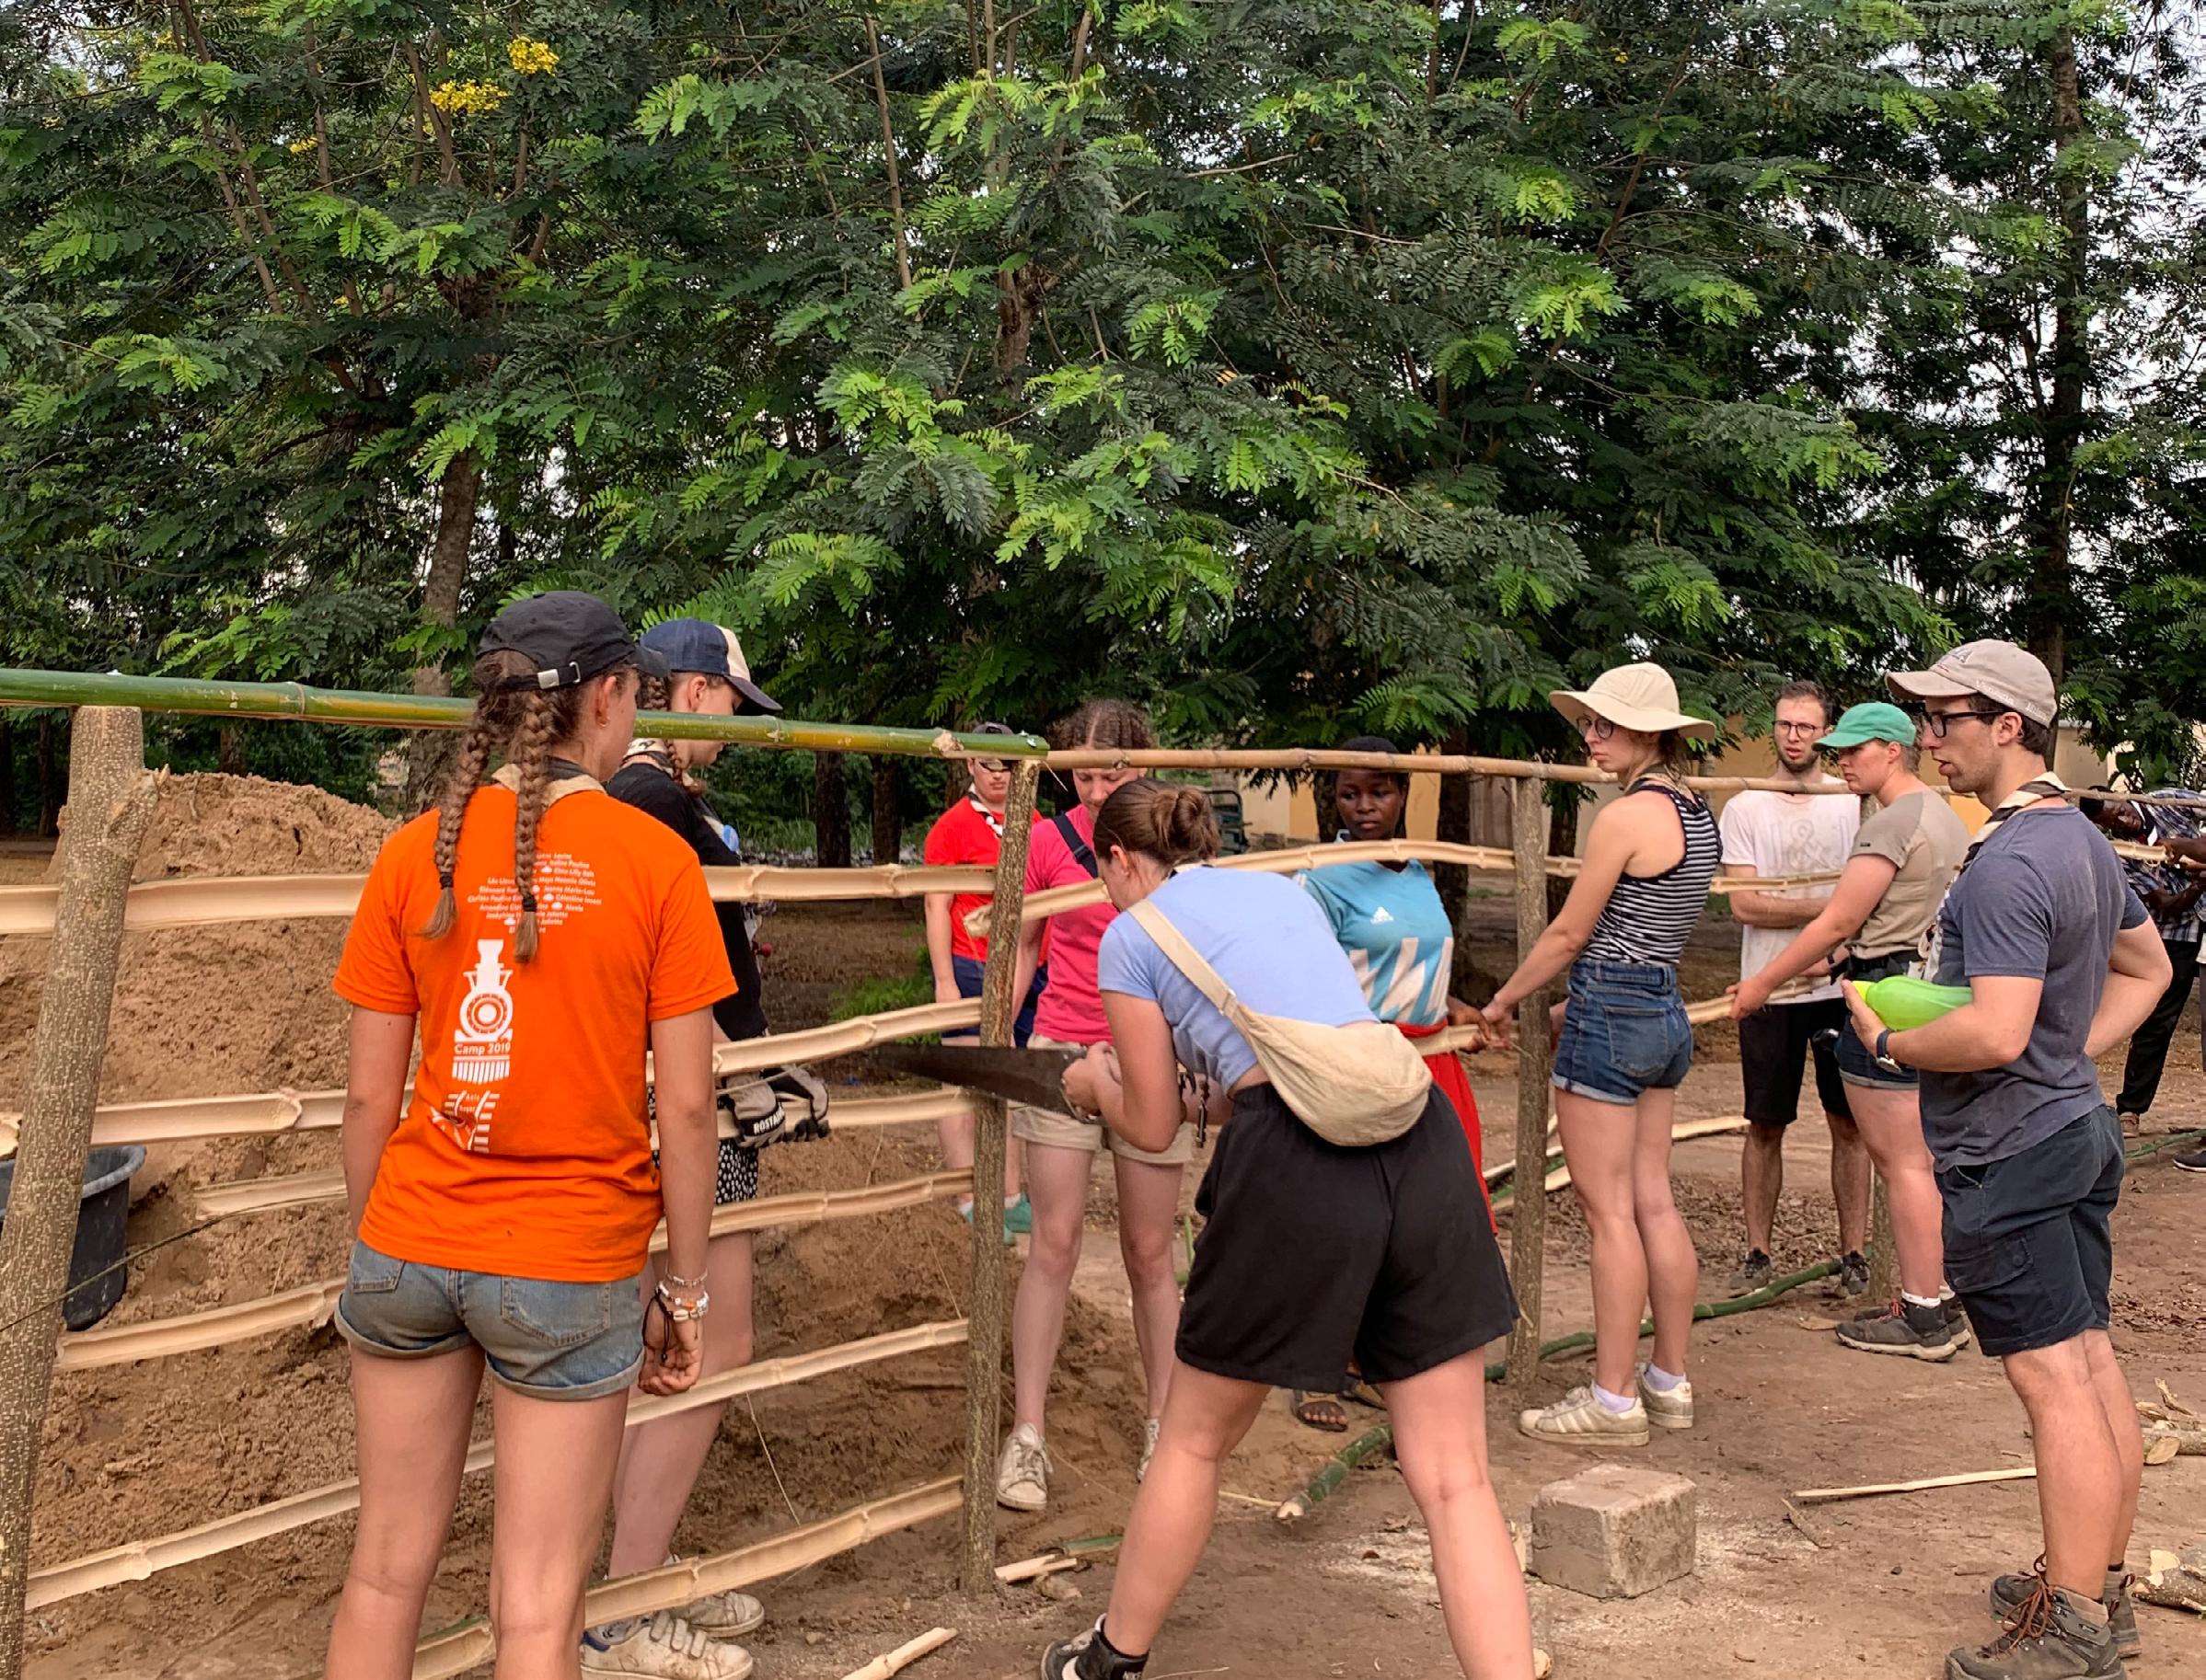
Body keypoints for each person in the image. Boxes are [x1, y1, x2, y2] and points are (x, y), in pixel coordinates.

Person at [325, 593, 730, 1680]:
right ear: (608, 697)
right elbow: (689, 1109)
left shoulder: (413, 856)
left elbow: (367, 1102)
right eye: (634, 693)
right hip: (567, 1258)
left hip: (409, 1242)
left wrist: (381, 1248)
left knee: (382, 1574)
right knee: (541, 1607)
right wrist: (686, 1291)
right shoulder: (657, 862)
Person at [1039, 779, 1529, 1680]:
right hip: (1418, 1136)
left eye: (1103, 871)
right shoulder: (1279, 893)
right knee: (1456, 1475)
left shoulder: (1130, 937)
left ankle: (1110, 1658)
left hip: (1298, 1164)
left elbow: (1150, 1124)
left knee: (1193, 1439)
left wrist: (1093, 1087)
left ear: (1115, 857)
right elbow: (1296, 1057)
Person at [1838, 640, 2166, 1680]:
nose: (1927, 738)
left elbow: (1992, 1031)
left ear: (2007, 726)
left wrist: (1890, 1042)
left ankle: (2071, 1629)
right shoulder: (2076, 837)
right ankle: (2097, 1587)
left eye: (1945, 719)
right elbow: (2148, 967)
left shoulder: (2015, 859)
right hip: (2069, 1130)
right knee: (2089, 1361)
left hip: (2009, 1151)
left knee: (2055, 1383)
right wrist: (2068, 1056)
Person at [590, 618, 786, 1680]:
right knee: (708, 1339)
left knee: (660, 1344)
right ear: (695, 691)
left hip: (689, 1089)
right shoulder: (651, 798)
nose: (731, 729)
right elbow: (654, 962)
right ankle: (620, 1608)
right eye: (730, 707)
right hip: (691, 1102)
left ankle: (637, 1571)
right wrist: (741, 1072)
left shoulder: (657, 794)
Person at [1481, 662, 1718, 1446]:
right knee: (1652, 1199)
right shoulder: (1699, 813)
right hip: (1661, 1005)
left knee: (1608, 1211)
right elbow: (1644, 929)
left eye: (1605, 724)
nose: (1590, 735)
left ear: (1649, 734)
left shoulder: (1624, 817)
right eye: (1588, 722)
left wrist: (1504, 999)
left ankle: (1611, 1402)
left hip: (1611, 1012)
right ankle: (1668, 1380)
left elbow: (1569, 934)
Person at [1727, 703, 1972, 1360]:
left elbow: (1839, 920)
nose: (1840, 760)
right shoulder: (1943, 816)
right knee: (1920, 1159)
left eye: (1853, 749)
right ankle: (1938, 1296)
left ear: (1892, 750)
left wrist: (1760, 983)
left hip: (1884, 995)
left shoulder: (1889, 823)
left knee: (1902, 1164)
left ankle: (1923, 1313)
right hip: (1922, 986)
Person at [996, 699, 1183, 1513]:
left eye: (1113, 775)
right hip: (1062, 1051)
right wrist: (993, 1042)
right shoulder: (1044, 841)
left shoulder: (1171, 839)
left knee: (1150, 1252)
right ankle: (1027, 1435)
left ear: (1144, 768)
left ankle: (1165, 1427)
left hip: (1153, 1060)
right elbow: (1023, 948)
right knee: (1053, 1242)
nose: (1099, 790)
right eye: (1084, 777)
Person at [1293, 735, 1492, 1432]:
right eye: (1349, 793)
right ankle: (1318, 1369)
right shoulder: (1320, 880)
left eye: (1378, 791)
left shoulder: (1417, 872)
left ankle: (1376, 1360)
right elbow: (1308, 978)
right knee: (1349, 1218)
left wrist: (1453, 1006)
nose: (1364, 806)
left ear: (1403, 792)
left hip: (1432, 1064)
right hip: (1363, 1064)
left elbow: (1415, 964)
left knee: (1417, 1221)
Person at [1716, 679, 1870, 1299]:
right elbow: (1746, 906)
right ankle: (1757, 1253)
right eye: (1785, 724)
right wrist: (1833, 910)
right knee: (1764, 1123)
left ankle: (1854, 1254)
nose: (1794, 736)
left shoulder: (1851, 803)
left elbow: (1869, 902)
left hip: (1838, 986)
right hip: (1768, 989)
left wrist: (1832, 922)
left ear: (1825, 732)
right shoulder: (1744, 806)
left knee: (1850, 1124)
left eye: (1806, 726)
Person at [922, 722, 1040, 1237]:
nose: (997, 774)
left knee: (1008, 1077)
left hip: (1025, 967)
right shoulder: (951, 827)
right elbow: (936, 904)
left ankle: (1010, 1193)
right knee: (964, 1077)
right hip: (970, 964)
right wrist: (944, 980)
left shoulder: (1033, 821)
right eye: (987, 763)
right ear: (970, 764)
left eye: (1006, 764)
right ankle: (967, 1195)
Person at [2078, 785, 2202, 1131]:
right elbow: (2165, 905)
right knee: (2156, 1024)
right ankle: (2131, 1109)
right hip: (2175, 935)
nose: (2123, 821)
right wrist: (2199, 885)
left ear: (2125, 797)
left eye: (2121, 810)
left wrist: (2184, 847)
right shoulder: (2122, 854)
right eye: (2112, 822)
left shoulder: (2167, 802)